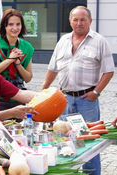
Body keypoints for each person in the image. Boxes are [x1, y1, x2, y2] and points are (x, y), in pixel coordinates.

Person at [41, 6, 115, 175]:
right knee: (66, 141)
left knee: (88, 143)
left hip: (86, 101)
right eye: (75, 19)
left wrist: (96, 93)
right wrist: (42, 92)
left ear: (90, 21)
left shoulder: (99, 41)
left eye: (83, 19)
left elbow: (109, 70)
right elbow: (52, 69)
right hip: (63, 100)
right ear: (70, 21)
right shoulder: (63, 41)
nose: (79, 23)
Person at [0, 9, 34, 111]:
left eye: (18, 24)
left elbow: (28, 78)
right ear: (4, 26)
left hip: (19, 98)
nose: (15, 28)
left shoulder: (27, 47)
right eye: (10, 24)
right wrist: (10, 60)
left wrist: (18, 64)